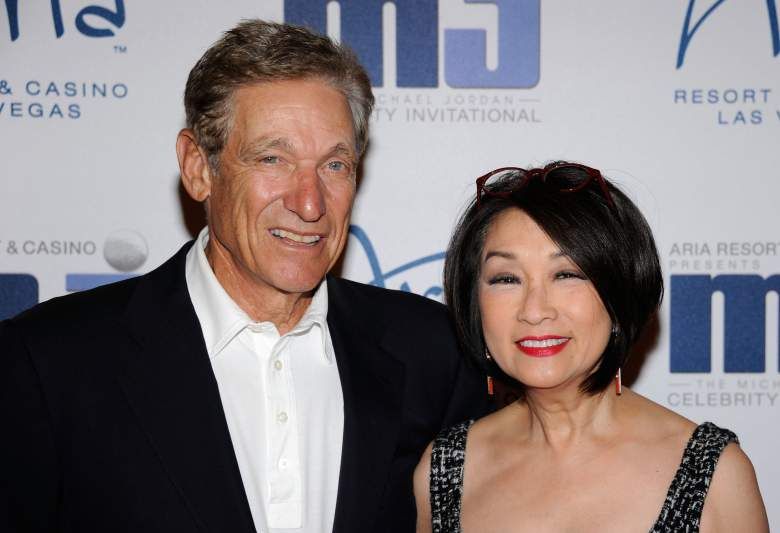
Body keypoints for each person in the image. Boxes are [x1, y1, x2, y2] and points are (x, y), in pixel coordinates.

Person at [0, 20, 488, 533]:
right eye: (273, 159)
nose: (309, 203)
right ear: (198, 168)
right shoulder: (50, 364)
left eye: (335, 165)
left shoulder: (432, 354)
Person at [413, 162, 768, 532]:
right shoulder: (446, 469)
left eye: (566, 275)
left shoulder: (711, 474)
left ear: (620, 294)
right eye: (507, 279)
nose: (534, 311)